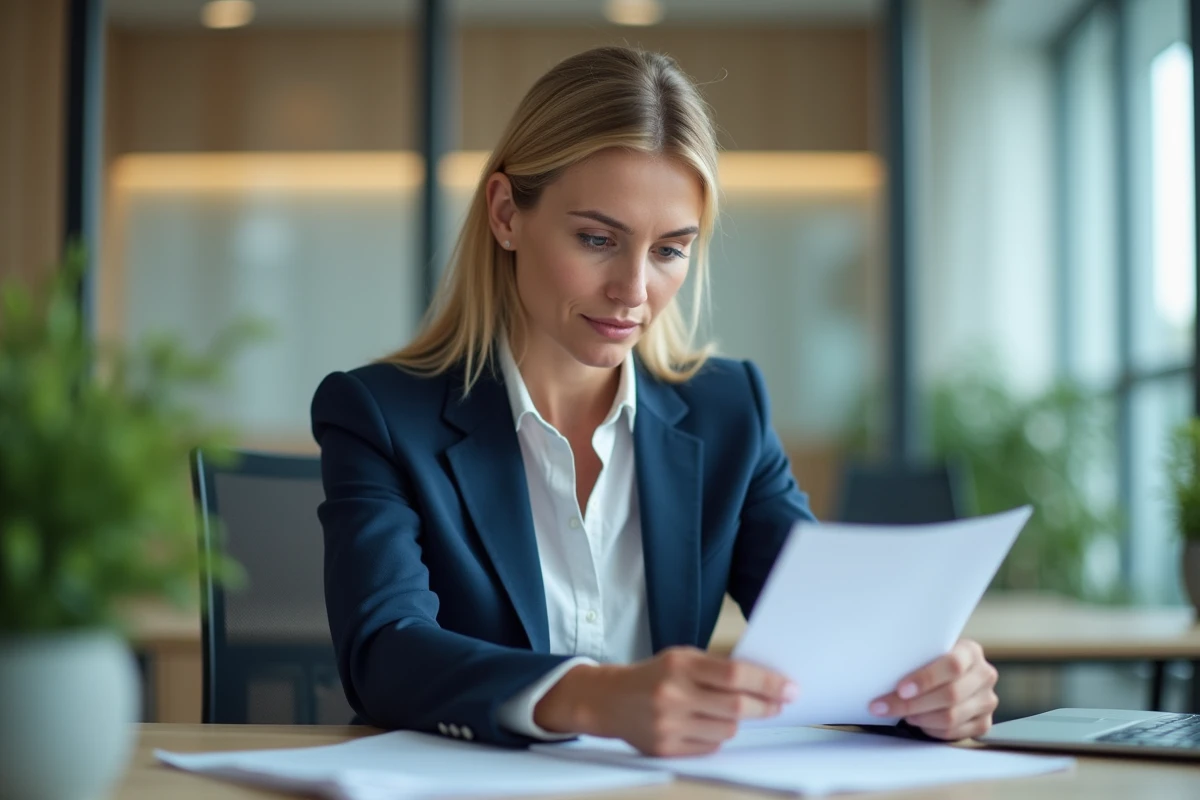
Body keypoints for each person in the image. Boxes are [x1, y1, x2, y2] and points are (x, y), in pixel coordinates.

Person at [311, 45, 999, 756]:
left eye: (670, 250)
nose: (634, 290)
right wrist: (594, 696)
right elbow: (384, 654)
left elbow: (828, 638)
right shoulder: (381, 416)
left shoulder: (728, 411)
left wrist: (928, 690)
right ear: (507, 213)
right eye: (598, 239)